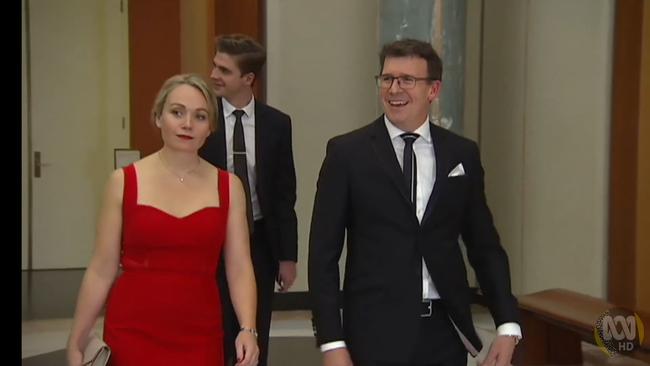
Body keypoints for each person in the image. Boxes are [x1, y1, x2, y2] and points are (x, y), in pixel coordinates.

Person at [308, 39, 522, 366]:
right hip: (373, 330)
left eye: (407, 80)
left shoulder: (461, 153)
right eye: (388, 78)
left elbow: (484, 245)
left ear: (433, 90)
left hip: (444, 330)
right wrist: (331, 342)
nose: (395, 89)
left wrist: (507, 325)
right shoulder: (347, 154)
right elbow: (323, 255)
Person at [66, 74, 259, 366]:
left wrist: (248, 328)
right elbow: (101, 268)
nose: (187, 124)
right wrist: (76, 339)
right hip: (132, 330)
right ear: (158, 117)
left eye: (200, 116)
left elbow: (240, 266)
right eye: (177, 112)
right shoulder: (123, 182)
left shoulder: (229, 186)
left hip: (200, 331)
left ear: (211, 128)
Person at [199, 34, 298, 366]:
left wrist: (287, 256)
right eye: (214, 65)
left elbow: (284, 194)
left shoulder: (277, 124)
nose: (214, 75)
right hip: (208, 239)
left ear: (248, 79)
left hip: (258, 241)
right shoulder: (202, 120)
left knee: (254, 327)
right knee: (213, 327)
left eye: (224, 70)